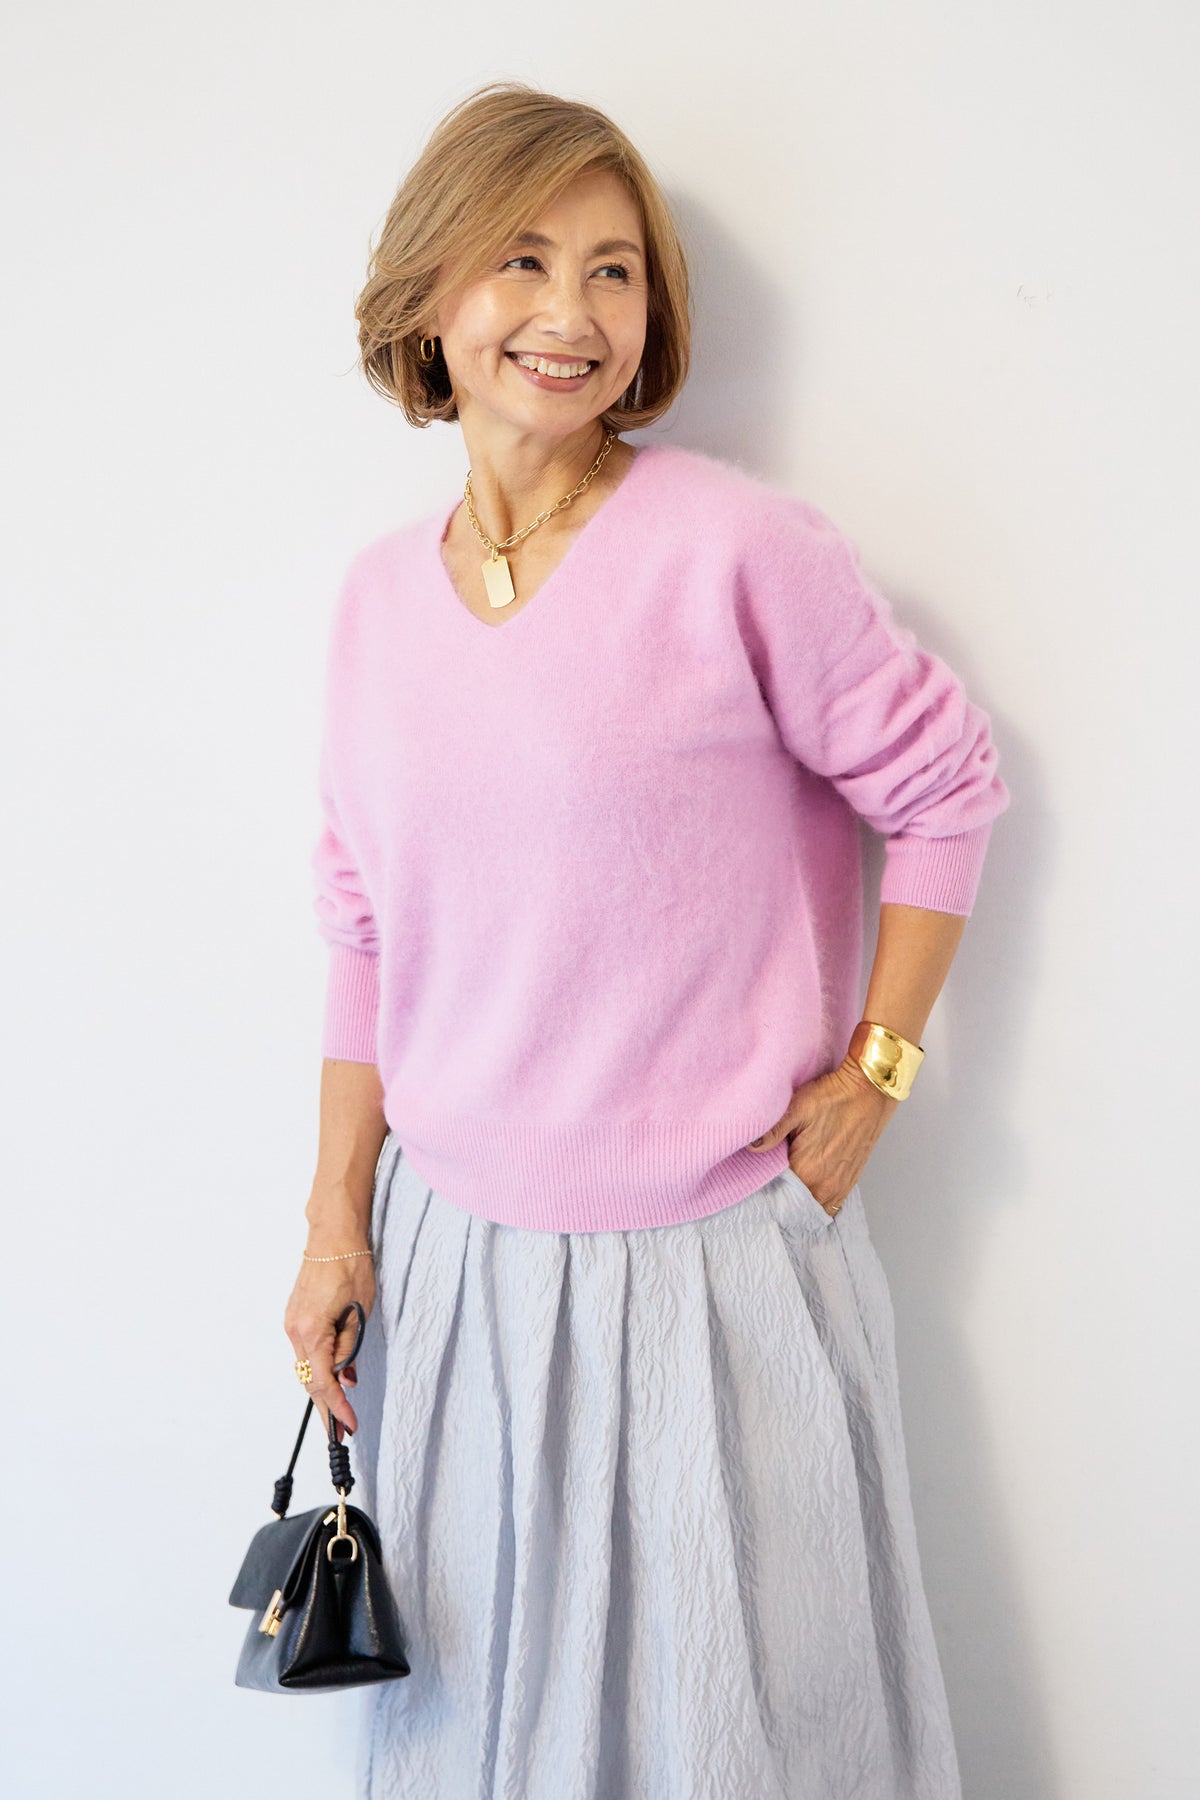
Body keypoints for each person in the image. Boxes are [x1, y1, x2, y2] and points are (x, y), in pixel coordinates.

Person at [284, 79, 1010, 1800]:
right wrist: (334, 1224)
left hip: (715, 1270)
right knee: (486, 1736)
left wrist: (879, 1075)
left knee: (749, 1742)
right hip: (457, 1275)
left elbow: (948, 788)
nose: (571, 311)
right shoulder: (376, 605)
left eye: (614, 270)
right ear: (430, 296)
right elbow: (363, 926)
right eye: (523, 258)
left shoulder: (740, 552)